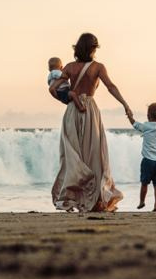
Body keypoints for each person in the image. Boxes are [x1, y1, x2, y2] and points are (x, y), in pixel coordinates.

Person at [51, 33, 133, 213]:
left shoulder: (70, 67)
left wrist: (69, 96)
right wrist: (125, 104)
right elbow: (110, 86)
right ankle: (96, 199)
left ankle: (73, 198)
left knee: (74, 154)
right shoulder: (98, 67)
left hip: (72, 111)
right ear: (93, 49)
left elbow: (53, 88)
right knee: (95, 154)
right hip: (89, 111)